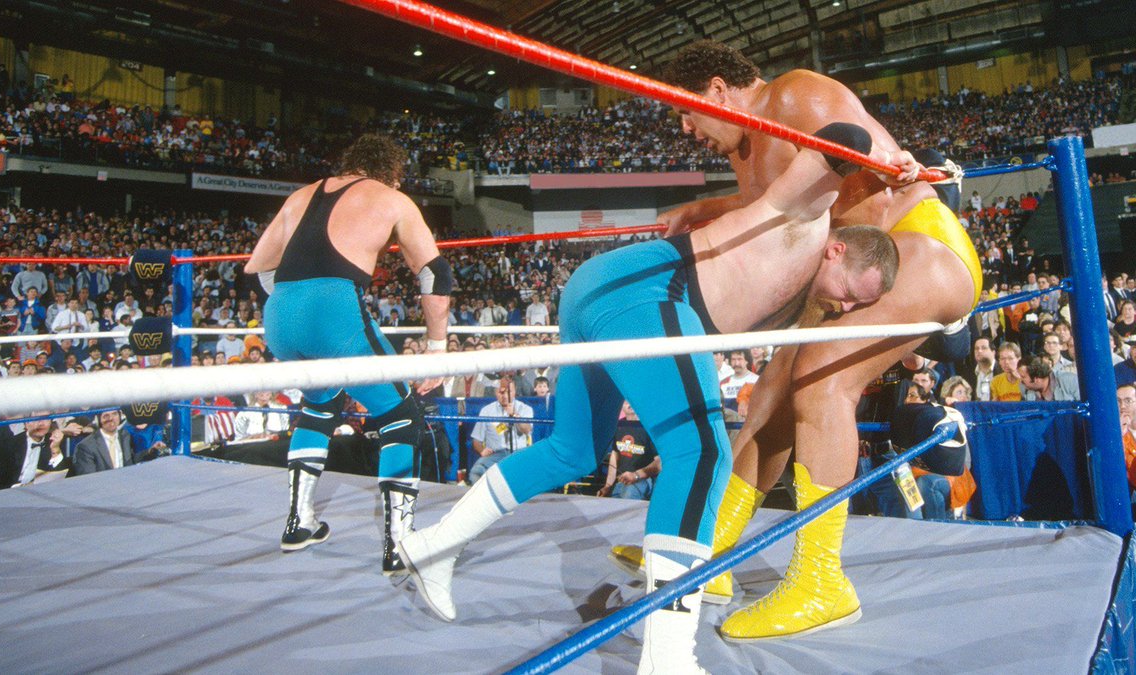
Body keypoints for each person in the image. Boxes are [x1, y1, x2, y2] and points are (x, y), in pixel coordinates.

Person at [398, 125, 902, 672]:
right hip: (649, 289)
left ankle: (435, 545)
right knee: (704, 455)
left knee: (573, 451)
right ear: (838, 249)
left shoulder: (806, 299)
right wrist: (892, 161)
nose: (847, 309)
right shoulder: (808, 216)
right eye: (852, 294)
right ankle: (667, 660)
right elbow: (838, 136)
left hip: (607, 289)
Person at [612, 40, 981, 642]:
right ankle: (713, 553)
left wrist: (843, 285)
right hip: (858, 256)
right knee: (772, 398)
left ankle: (821, 580)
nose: (685, 129)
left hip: (914, 245)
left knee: (821, 378)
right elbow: (784, 196)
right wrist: (708, 205)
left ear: (715, 90)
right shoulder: (748, 145)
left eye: (685, 111)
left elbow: (880, 171)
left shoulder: (794, 94)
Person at [245, 134, 451, 572]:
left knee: (319, 405)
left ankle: (298, 523)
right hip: (333, 311)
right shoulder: (392, 197)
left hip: (279, 316)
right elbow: (434, 272)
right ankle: (401, 544)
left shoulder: (303, 193)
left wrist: (294, 303)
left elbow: (257, 266)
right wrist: (437, 347)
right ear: (392, 172)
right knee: (401, 417)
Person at [467, 376, 533, 484]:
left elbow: (527, 430)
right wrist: (482, 450)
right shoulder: (487, 411)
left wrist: (515, 415)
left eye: (509, 392)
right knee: (475, 472)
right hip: (496, 455)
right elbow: (476, 440)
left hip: (519, 453)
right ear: (495, 392)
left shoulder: (525, 409)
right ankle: (486, 499)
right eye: (501, 393)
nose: (505, 396)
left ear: (514, 392)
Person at [0, 416, 70, 492]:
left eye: (45, 419)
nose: (41, 423)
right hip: (7, 494)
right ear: (26, 423)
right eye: (36, 419)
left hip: (37, 494)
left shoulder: (52, 442)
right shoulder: (8, 445)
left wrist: (55, 449)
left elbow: (60, 477)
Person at [599, 401, 661, 500]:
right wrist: (608, 485)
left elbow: (660, 463)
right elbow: (615, 456)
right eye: (625, 400)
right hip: (621, 481)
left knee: (627, 499)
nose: (629, 403)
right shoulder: (619, 426)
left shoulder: (649, 428)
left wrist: (636, 475)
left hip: (642, 480)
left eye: (631, 399)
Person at [72, 409, 138, 475]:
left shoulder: (126, 436)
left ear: (120, 416)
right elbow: (89, 481)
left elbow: (132, 463)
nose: (111, 418)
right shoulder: (85, 447)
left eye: (114, 414)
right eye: (106, 415)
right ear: (98, 419)